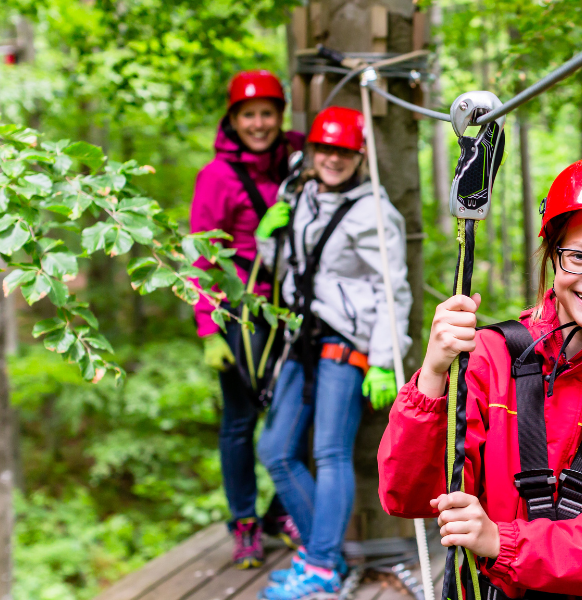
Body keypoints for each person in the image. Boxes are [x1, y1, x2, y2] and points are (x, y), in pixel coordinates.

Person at [378, 160, 582, 600]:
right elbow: (410, 496)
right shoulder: (491, 357)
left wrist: (502, 542)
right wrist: (433, 376)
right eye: (579, 256)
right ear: (554, 256)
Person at [254, 106, 412, 600]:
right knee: (276, 451)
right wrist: (266, 238)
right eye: (325, 149)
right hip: (301, 338)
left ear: (358, 154)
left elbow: (394, 290)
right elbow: (291, 268)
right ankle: (326, 553)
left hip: (345, 341)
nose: (333, 159)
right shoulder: (301, 195)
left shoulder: (374, 212)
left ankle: (320, 563)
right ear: (313, 151)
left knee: (329, 451)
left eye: (343, 151)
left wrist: (386, 359)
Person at [190, 69, 305, 570]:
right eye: (248, 115)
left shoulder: (297, 157)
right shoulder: (216, 177)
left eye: (267, 113)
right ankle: (243, 524)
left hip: (292, 308)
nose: (259, 124)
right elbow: (202, 256)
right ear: (233, 120)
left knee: (294, 412)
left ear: (280, 117)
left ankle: (279, 511)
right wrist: (208, 328)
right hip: (240, 310)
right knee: (239, 422)